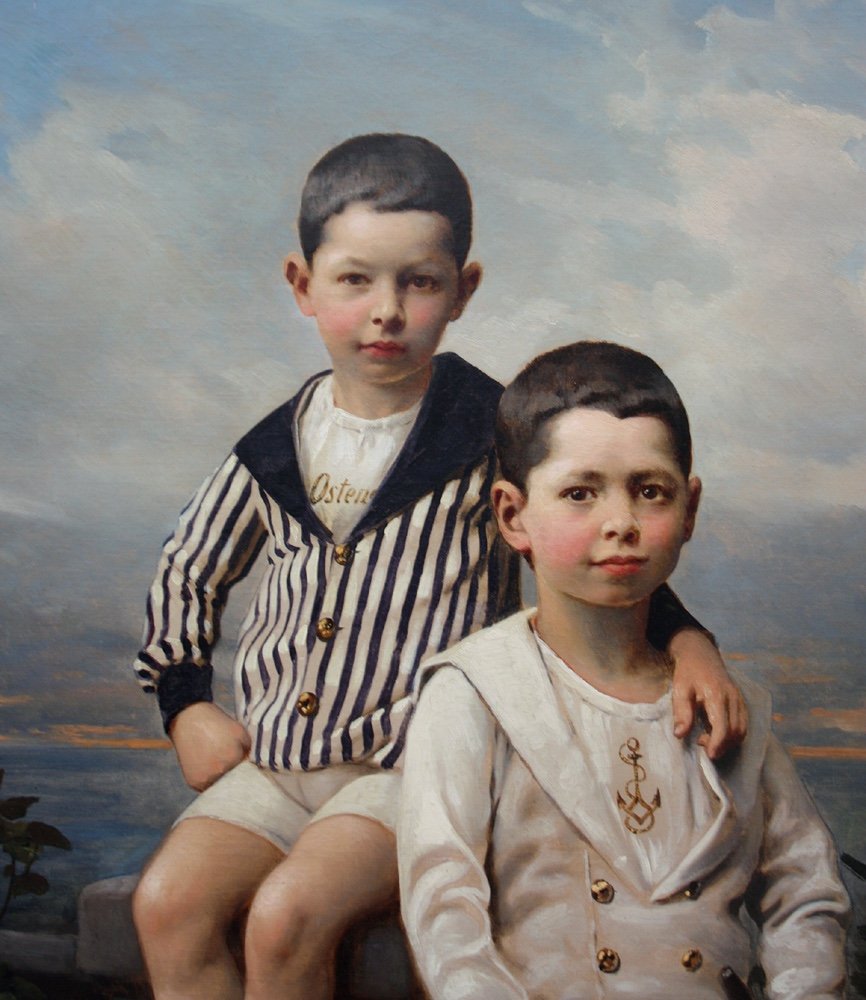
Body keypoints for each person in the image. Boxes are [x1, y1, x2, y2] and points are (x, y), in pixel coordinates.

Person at [131, 136, 744, 1000]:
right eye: (355, 280)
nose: (386, 310)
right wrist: (186, 702)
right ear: (303, 287)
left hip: (411, 771)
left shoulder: (489, 430)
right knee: (165, 902)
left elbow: (601, 553)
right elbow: (187, 568)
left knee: (285, 918)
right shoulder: (273, 444)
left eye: (417, 282)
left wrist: (691, 645)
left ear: (462, 291)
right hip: (271, 765)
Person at [398, 341, 850, 1000]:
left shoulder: (730, 704)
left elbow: (806, 897)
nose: (622, 524)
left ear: (689, 509)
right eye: (580, 493)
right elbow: (446, 918)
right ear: (512, 514)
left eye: (650, 492)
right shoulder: (473, 692)